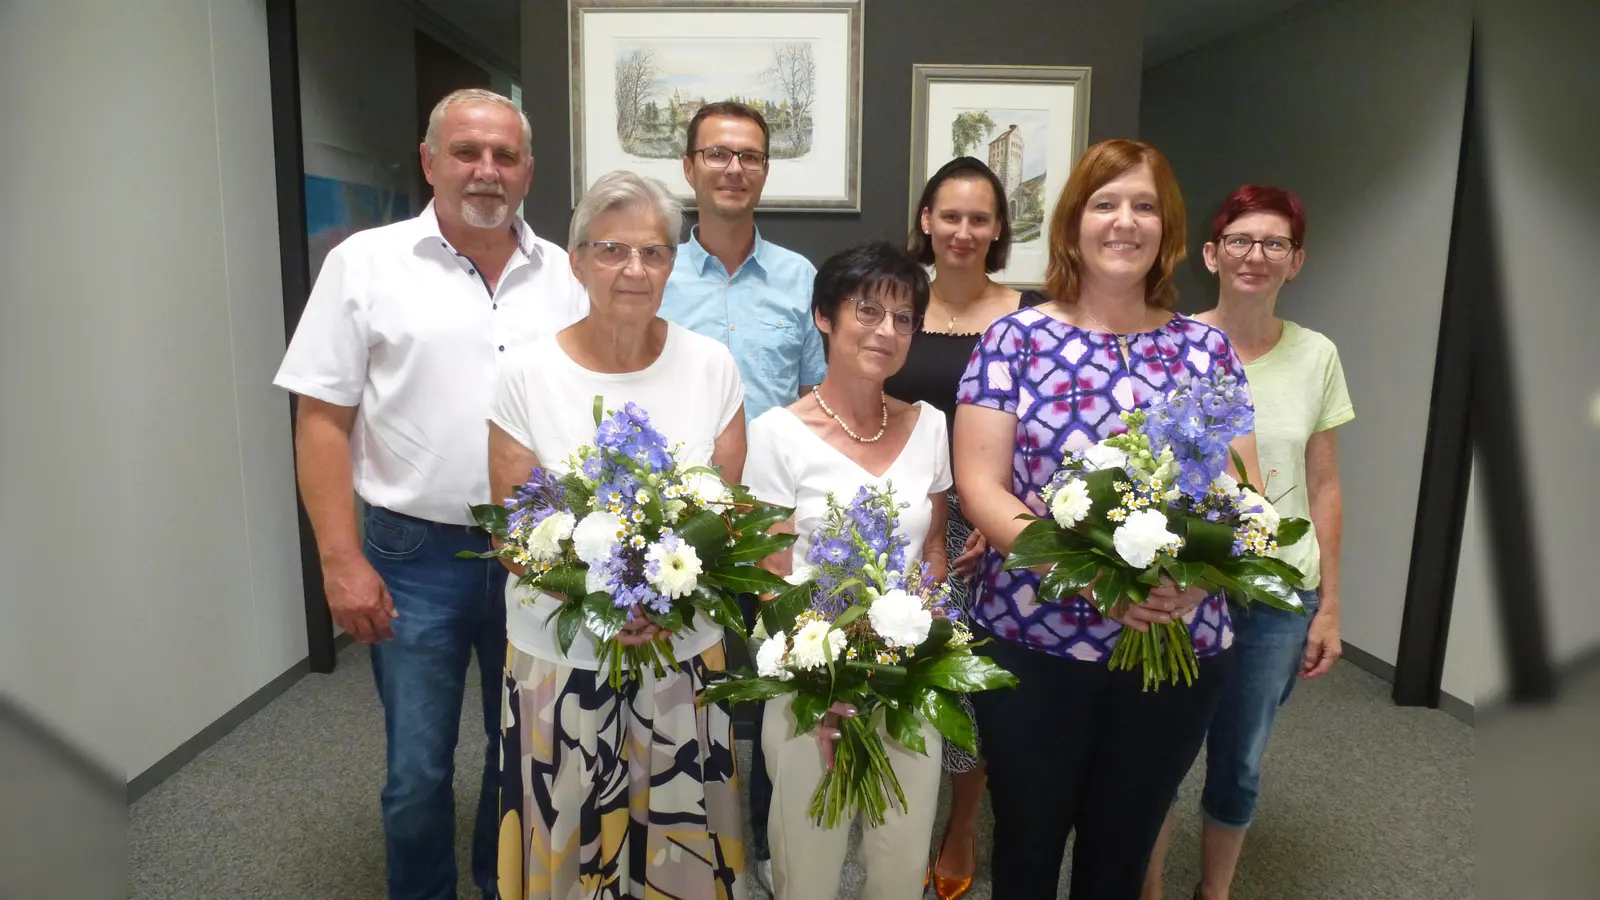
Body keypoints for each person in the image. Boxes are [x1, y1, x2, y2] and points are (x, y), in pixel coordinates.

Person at [274, 88, 586, 900]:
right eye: (467, 152)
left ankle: (495, 884)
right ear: (429, 161)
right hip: (414, 554)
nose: (487, 171)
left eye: (505, 156)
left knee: (521, 752)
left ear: (528, 171)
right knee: (417, 769)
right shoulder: (365, 263)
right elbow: (321, 421)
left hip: (537, 555)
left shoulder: (566, 274)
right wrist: (340, 561)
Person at [952, 138, 1265, 900]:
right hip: (1036, 644)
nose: (1125, 221)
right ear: (1072, 224)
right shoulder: (1015, 341)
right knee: (1025, 844)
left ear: (1169, 228)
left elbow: (1244, 492)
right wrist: (1092, 582)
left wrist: (1194, 582)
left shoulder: (1207, 351)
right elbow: (982, 488)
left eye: (1145, 205)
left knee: (1123, 852)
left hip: (1176, 640)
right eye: (1105, 203)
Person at [487, 170, 749, 900]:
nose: (634, 270)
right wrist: (606, 605)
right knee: (568, 852)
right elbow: (516, 534)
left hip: (683, 655)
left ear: (672, 263)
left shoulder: (711, 367)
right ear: (576, 262)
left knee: (678, 851)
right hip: (560, 657)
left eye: (654, 252)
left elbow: (726, 516)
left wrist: (657, 605)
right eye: (611, 250)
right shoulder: (527, 374)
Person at [1140, 186, 1353, 900]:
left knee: (1241, 760)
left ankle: (1215, 891)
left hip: (1275, 590)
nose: (1255, 256)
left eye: (1274, 244)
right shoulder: (1171, 345)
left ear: (1296, 262)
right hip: (1182, 583)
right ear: (1211, 254)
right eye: (1240, 240)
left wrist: (1327, 606)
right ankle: (1151, 887)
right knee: (1160, 754)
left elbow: (1323, 486)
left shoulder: (1316, 355)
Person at [742, 240, 946, 900]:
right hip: (811, 681)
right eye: (867, 310)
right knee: (809, 857)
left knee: (900, 851)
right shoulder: (776, 434)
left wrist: (919, 633)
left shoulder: (930, 427)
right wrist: (827, 672)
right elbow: (771, 578)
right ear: (824, 318)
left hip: (909, 677)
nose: (886, 331)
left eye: (904, 317)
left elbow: (934, 546)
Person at [658, 99, 826, 890]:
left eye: (750, 156)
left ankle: (765, 851)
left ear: (765, 171)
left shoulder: (800, 280)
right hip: (678, 533)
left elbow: (819, 401)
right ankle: (691, 847)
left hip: (778, 523)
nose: (734, 168)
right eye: (717, 154)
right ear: (688, 168)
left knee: (783, 693)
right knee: (694, 695)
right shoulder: (653, 271)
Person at [882, 156, 1025, 900]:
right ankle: (899, 820)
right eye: (950, 216)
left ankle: (963, 822)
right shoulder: (896, 306)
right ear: (927, 221)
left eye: (979, 218)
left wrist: (997, 515)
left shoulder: (1032, 313)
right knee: (905, 678)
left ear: (998, 229)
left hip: (1000, 531)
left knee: (979, 691)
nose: (963, 231)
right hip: (911, 521)